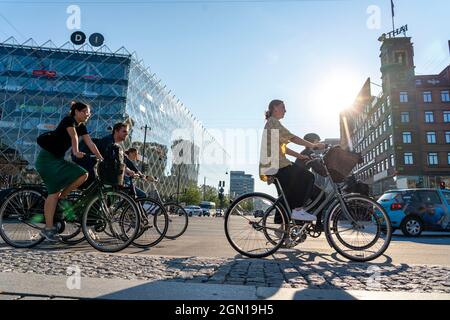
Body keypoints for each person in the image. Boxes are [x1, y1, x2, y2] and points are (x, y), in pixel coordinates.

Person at [36, 101, 103, 241]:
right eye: (85, 112)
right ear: (76, 112)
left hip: (57, 160)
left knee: (83, 174)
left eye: (89, 113)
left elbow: (90, 142)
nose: (87, 115)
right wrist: (76, 151)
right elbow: (73, 136)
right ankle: (48, 229)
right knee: (53, 193)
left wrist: (101, 158)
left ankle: (62, 197)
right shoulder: (69, 120)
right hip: (47, 160)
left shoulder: (81, 126)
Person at [259, 100, 325, 222]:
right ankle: (298, 211)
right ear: (275, 108)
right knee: (308, 177)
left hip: (274, 164)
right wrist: (313, 145)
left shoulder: (272, 123)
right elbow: (292, 138)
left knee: (289, 193)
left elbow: (284, 148)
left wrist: (299, 156)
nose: (285, 110)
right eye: (283, 107)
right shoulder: (273, 122)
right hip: (275, 164)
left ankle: (284, 224)